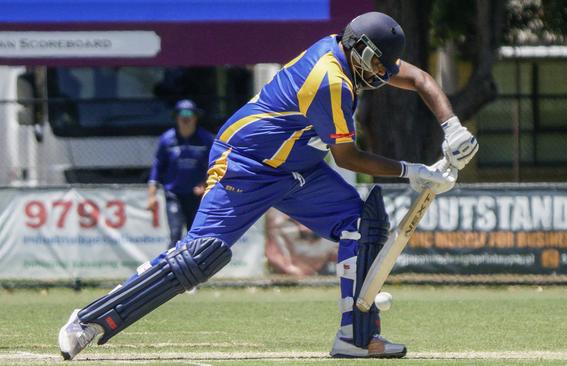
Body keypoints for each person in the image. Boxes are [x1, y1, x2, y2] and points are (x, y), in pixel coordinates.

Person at [58, 11, 478, 360]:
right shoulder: (329, 78)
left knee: (363, 225)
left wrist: (453, 128)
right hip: (246, 163)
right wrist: (413, 171)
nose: (381, 74)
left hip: (300, 168)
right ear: (358, 50)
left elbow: (421, 79)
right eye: (377, 64)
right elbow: (348, 158)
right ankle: (89, 320)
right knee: (200, 258)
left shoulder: (356, 51)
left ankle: (357, 336)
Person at [147, 99, 214, 248]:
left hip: (196, 195)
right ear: (176, 117)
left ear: (195, 117)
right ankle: (171, 269)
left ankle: (195, 270)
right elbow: (157, 167)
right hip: (174, 194)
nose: (185, 118)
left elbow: (215, 166)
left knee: (196, 235)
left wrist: (206, 185)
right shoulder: (167, 139)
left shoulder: (206, 139)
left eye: (189, 114)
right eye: (181, 114)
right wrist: (151, 196)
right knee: (175, 233)